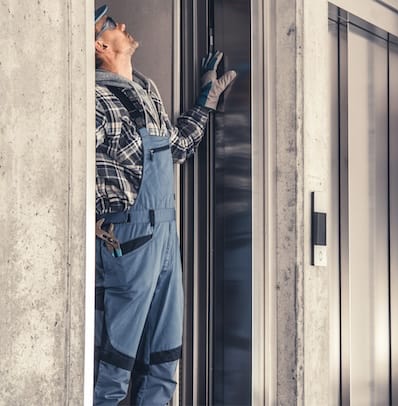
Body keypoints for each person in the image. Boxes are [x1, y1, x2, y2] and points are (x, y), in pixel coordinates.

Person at [93, 5, 236, 404]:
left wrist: (205, 103)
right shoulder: (97, 100)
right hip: (129, 236)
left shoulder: (145, 90)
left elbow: (177, 146)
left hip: (166, 237)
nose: (121, 25)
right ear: (101, 44)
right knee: (115, 362)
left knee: (165, 355)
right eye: (110, 25)